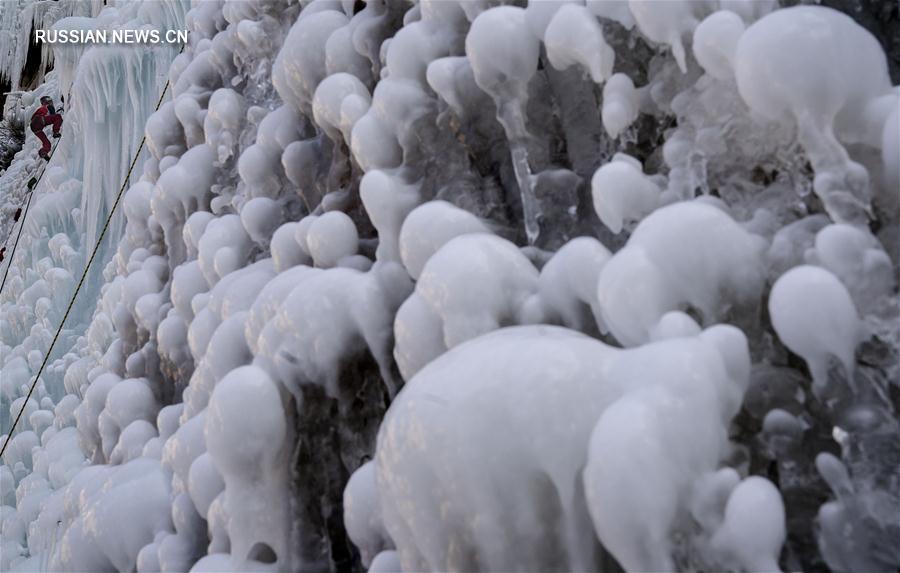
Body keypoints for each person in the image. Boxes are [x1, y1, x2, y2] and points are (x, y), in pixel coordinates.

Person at [30, 95, 62, 161]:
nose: (51, 103)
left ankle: (43, 152)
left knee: (47, 144)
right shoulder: (47, 106)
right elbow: (53, 115)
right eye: (50, 101)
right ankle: (56, 132)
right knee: (58, 117)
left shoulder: (41, 109)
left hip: (34, 127)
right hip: (40, 120)